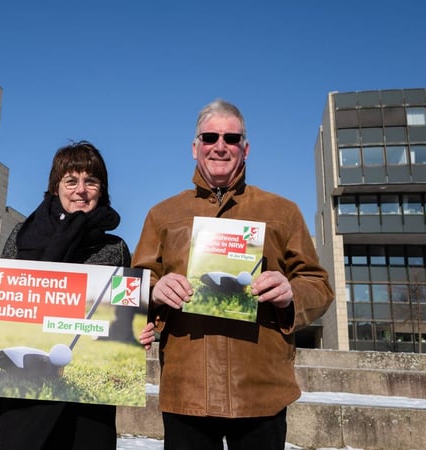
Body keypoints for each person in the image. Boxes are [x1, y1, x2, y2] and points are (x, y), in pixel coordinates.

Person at [133, 99, 334, 449]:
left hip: (261, 391)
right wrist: (154, 290)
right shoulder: (162, 215)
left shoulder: (283, 212)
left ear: (246, 148)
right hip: (187, 391)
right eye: (210, 137)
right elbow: (135, 285)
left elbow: (318, 284)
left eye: (231, 138)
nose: (220, 146)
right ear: (195, 148)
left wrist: (291, 295)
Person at [0, 140, 155, 450]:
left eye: (90, 181)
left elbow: (124, 317)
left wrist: (140, 329)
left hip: (88, 409)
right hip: (24, 398)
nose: (80, 190)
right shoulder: (22, 236)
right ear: (56, 187)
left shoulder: (115, 248)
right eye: (71, 181)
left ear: (101, 189)